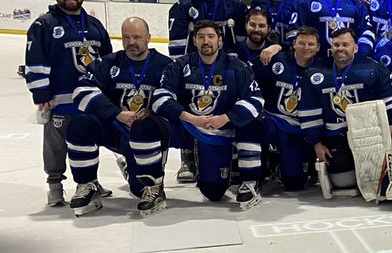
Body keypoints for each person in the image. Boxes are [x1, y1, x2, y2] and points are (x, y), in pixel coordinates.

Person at [66, 17, 173, 217]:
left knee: (138, 188)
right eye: (126, 37)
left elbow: (176, 99)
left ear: (149, 38)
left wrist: (155, 111)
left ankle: (154, 187)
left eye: (137, 37)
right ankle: (87, 183)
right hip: (118, 129)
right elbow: (81, 92)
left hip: (149, 134)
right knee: (80, 124)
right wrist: (117, 113)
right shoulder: (107, 63)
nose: (131, 42)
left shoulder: (166, 65)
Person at [152, 20, 266, 208]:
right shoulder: (180, 65)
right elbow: (160, 98)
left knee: (213, 192)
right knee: (152, 126)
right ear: (194, 41)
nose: (206, 41)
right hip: (189, 128)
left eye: (211, 37)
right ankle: (153, 183)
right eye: (201, 37)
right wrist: (190, 118)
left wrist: (225, 118)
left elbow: (255, 99)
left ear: (220, 41)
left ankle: (250, 180)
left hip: (221, 129)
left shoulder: (236, 66)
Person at [24, 0, 112, 207]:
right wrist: (41, 94)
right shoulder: (45, 25)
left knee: (89, 139)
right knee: (56, 144)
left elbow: (107, 61)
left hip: (91, 98)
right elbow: (36, 61)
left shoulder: (94, 25)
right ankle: (55, 185)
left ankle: (90, 181)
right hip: (58, 100)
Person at [306, 27, 392, 197]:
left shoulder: (373, 68)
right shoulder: (316, 71)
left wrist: (391, 127)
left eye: (345, 44)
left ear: (355, 48)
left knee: (375, 182)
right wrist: (317, 143)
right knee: (344, 183)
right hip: (335, 136)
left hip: (369, 135)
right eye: (336, 45)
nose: (340, 48)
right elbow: (309, 110)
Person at [257, 26, 324, 191]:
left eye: (310, 44)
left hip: (301, 127)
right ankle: (255, 170)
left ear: (318, 47)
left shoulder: (322, 70)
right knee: (253, 124)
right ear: (294, 43)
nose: (306, 47)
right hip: (273, 119)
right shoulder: (277, 60)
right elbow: (254, 85)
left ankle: (277, 163)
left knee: (295, 183)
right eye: (301, 43)